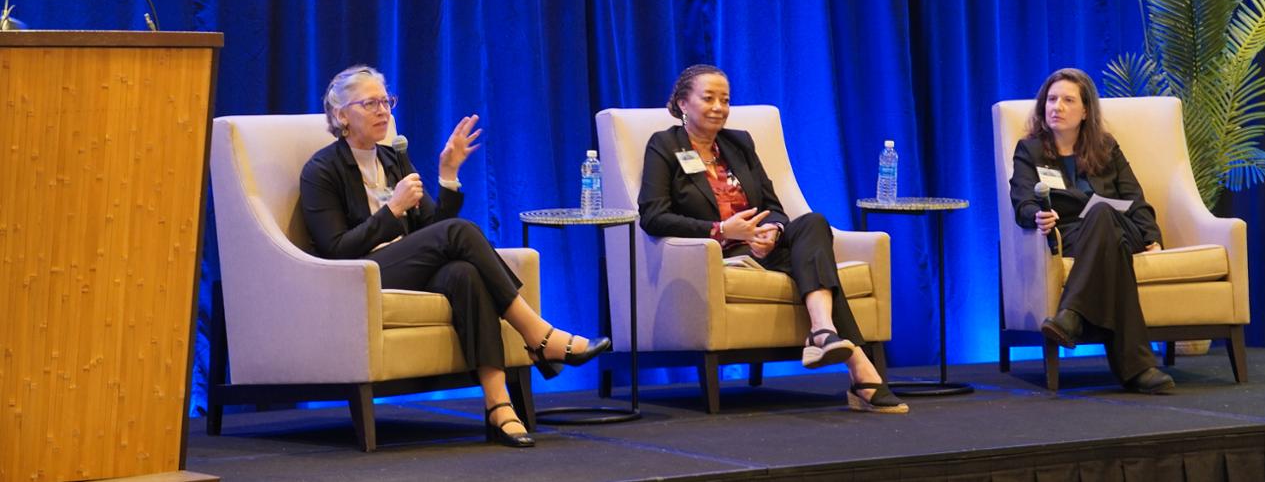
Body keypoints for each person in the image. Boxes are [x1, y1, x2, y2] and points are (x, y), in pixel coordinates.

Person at [299, 65, 610, 448]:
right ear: (341, 115)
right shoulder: (321, 170)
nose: (383, 111)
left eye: (386, 101)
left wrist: (448, 175)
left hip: (408, 266)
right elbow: (336, 248)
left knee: (465, 272)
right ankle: (538, 334)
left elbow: (434, 228)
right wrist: (391, 212)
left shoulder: (393, 158)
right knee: (461, 234)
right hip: (359, 273)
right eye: (370, 103)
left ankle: (499, 407)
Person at [637, 64, 908, 414]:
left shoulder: (739, 143)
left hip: (761, 248)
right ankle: (860, 370)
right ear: (683, 103)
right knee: (822, 272)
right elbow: (653, 215)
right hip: (710, 254)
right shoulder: (664, 145)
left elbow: (773, 207)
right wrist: (720, 230)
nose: (719, 107)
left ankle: (823, 330)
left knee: (812, 224)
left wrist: (773, 231)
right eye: (709, 98)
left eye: (725, 99)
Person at [1008, 67, 1174, 394]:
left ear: (1085, 111)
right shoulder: (1031, 150)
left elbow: (1134, 199)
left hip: (1121, 227)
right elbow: (1022, 199)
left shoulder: (1106, 147)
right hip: (1071, 237)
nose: (1057, 107)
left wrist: (1153, 238)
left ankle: (1072, 314)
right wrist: (1035, 217)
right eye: (1051, 99)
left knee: (1101, 213)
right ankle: (1138, 368)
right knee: (1109, 245)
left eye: (1068, 100)